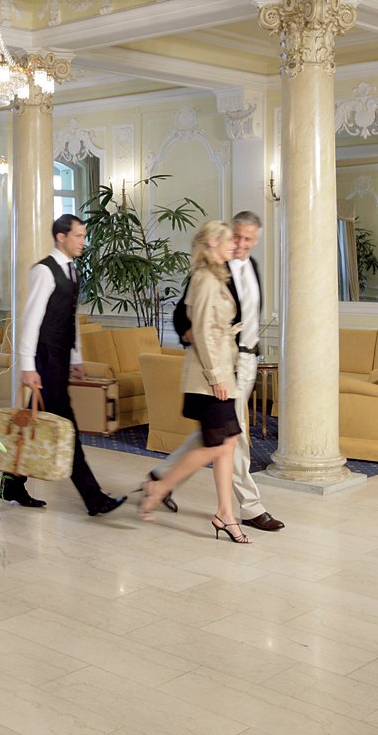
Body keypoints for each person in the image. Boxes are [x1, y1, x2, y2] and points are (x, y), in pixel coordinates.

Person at [146, 212, 284, 532]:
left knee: (220, 432)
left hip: (248, 358)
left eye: (248, 239)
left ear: (256, 240)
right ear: (225, 237)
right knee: (233, 435)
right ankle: (247, 506)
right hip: (223, 363)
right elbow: (184, 313)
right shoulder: (211, 272)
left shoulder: (252, 268)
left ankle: (163, 478)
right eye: (236, 237)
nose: (241, 244)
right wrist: (193, 335)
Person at [0, 214, 128, 516]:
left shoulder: (71, 271)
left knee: (36, 419)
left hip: (59, 356)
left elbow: (70, 319)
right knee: (66, 427)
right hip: (45, 358)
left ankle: (12, 484)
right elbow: (31, 320)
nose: (84, 242)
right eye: (79, 236)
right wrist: (28, 367)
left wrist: (76, 357)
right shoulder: (44, 271)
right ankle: (93, 498)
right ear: (62, 237)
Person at [141, 221, 251, 542]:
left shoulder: (219, 276)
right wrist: (217, 376)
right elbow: (200, 331)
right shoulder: (203, 279)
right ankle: (158, 487)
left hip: (222, 370)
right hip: (208, 375)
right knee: (215, 444)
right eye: (228, 239)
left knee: (226, 442)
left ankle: (225, 514)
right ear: (211, 244)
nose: (234, 244)